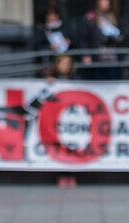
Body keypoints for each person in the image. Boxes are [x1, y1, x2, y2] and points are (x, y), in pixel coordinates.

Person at [47, 54, 79, 189]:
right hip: (57, 118)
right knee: (59, 144)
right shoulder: (51, 79)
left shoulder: (77, 79)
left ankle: (73, 174)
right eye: (62, 63)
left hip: (73, 118)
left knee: (72, 144)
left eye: (67, 63)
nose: (64, 66)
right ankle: (61, 175)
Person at [79, 0, 123, 80]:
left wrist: (117, 38)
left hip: (112, 57)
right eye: (104, 1)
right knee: (97, 79)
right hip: (97, 55)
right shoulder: (90, 18)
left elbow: (120, 34)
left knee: (112, 79)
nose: (106, 3)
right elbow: (84, 38)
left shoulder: (113, 17)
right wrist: (86, 54)